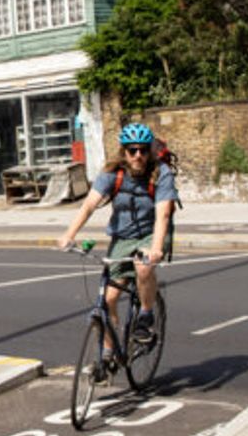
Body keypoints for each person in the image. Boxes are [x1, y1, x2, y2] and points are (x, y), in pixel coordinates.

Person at [57, 122, 177, 356]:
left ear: (149, 150)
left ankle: (145, 315)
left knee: (143, 268)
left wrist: (155, 249)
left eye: (143, 150)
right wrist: (68, 235)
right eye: (133, 150)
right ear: (124, 151)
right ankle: (109, 350)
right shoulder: (113, 174)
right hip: (123, 235)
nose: (138, 155)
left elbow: (163, 214)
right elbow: (89, 205)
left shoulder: (160, 173)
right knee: (109, 297)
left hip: (152, 233)